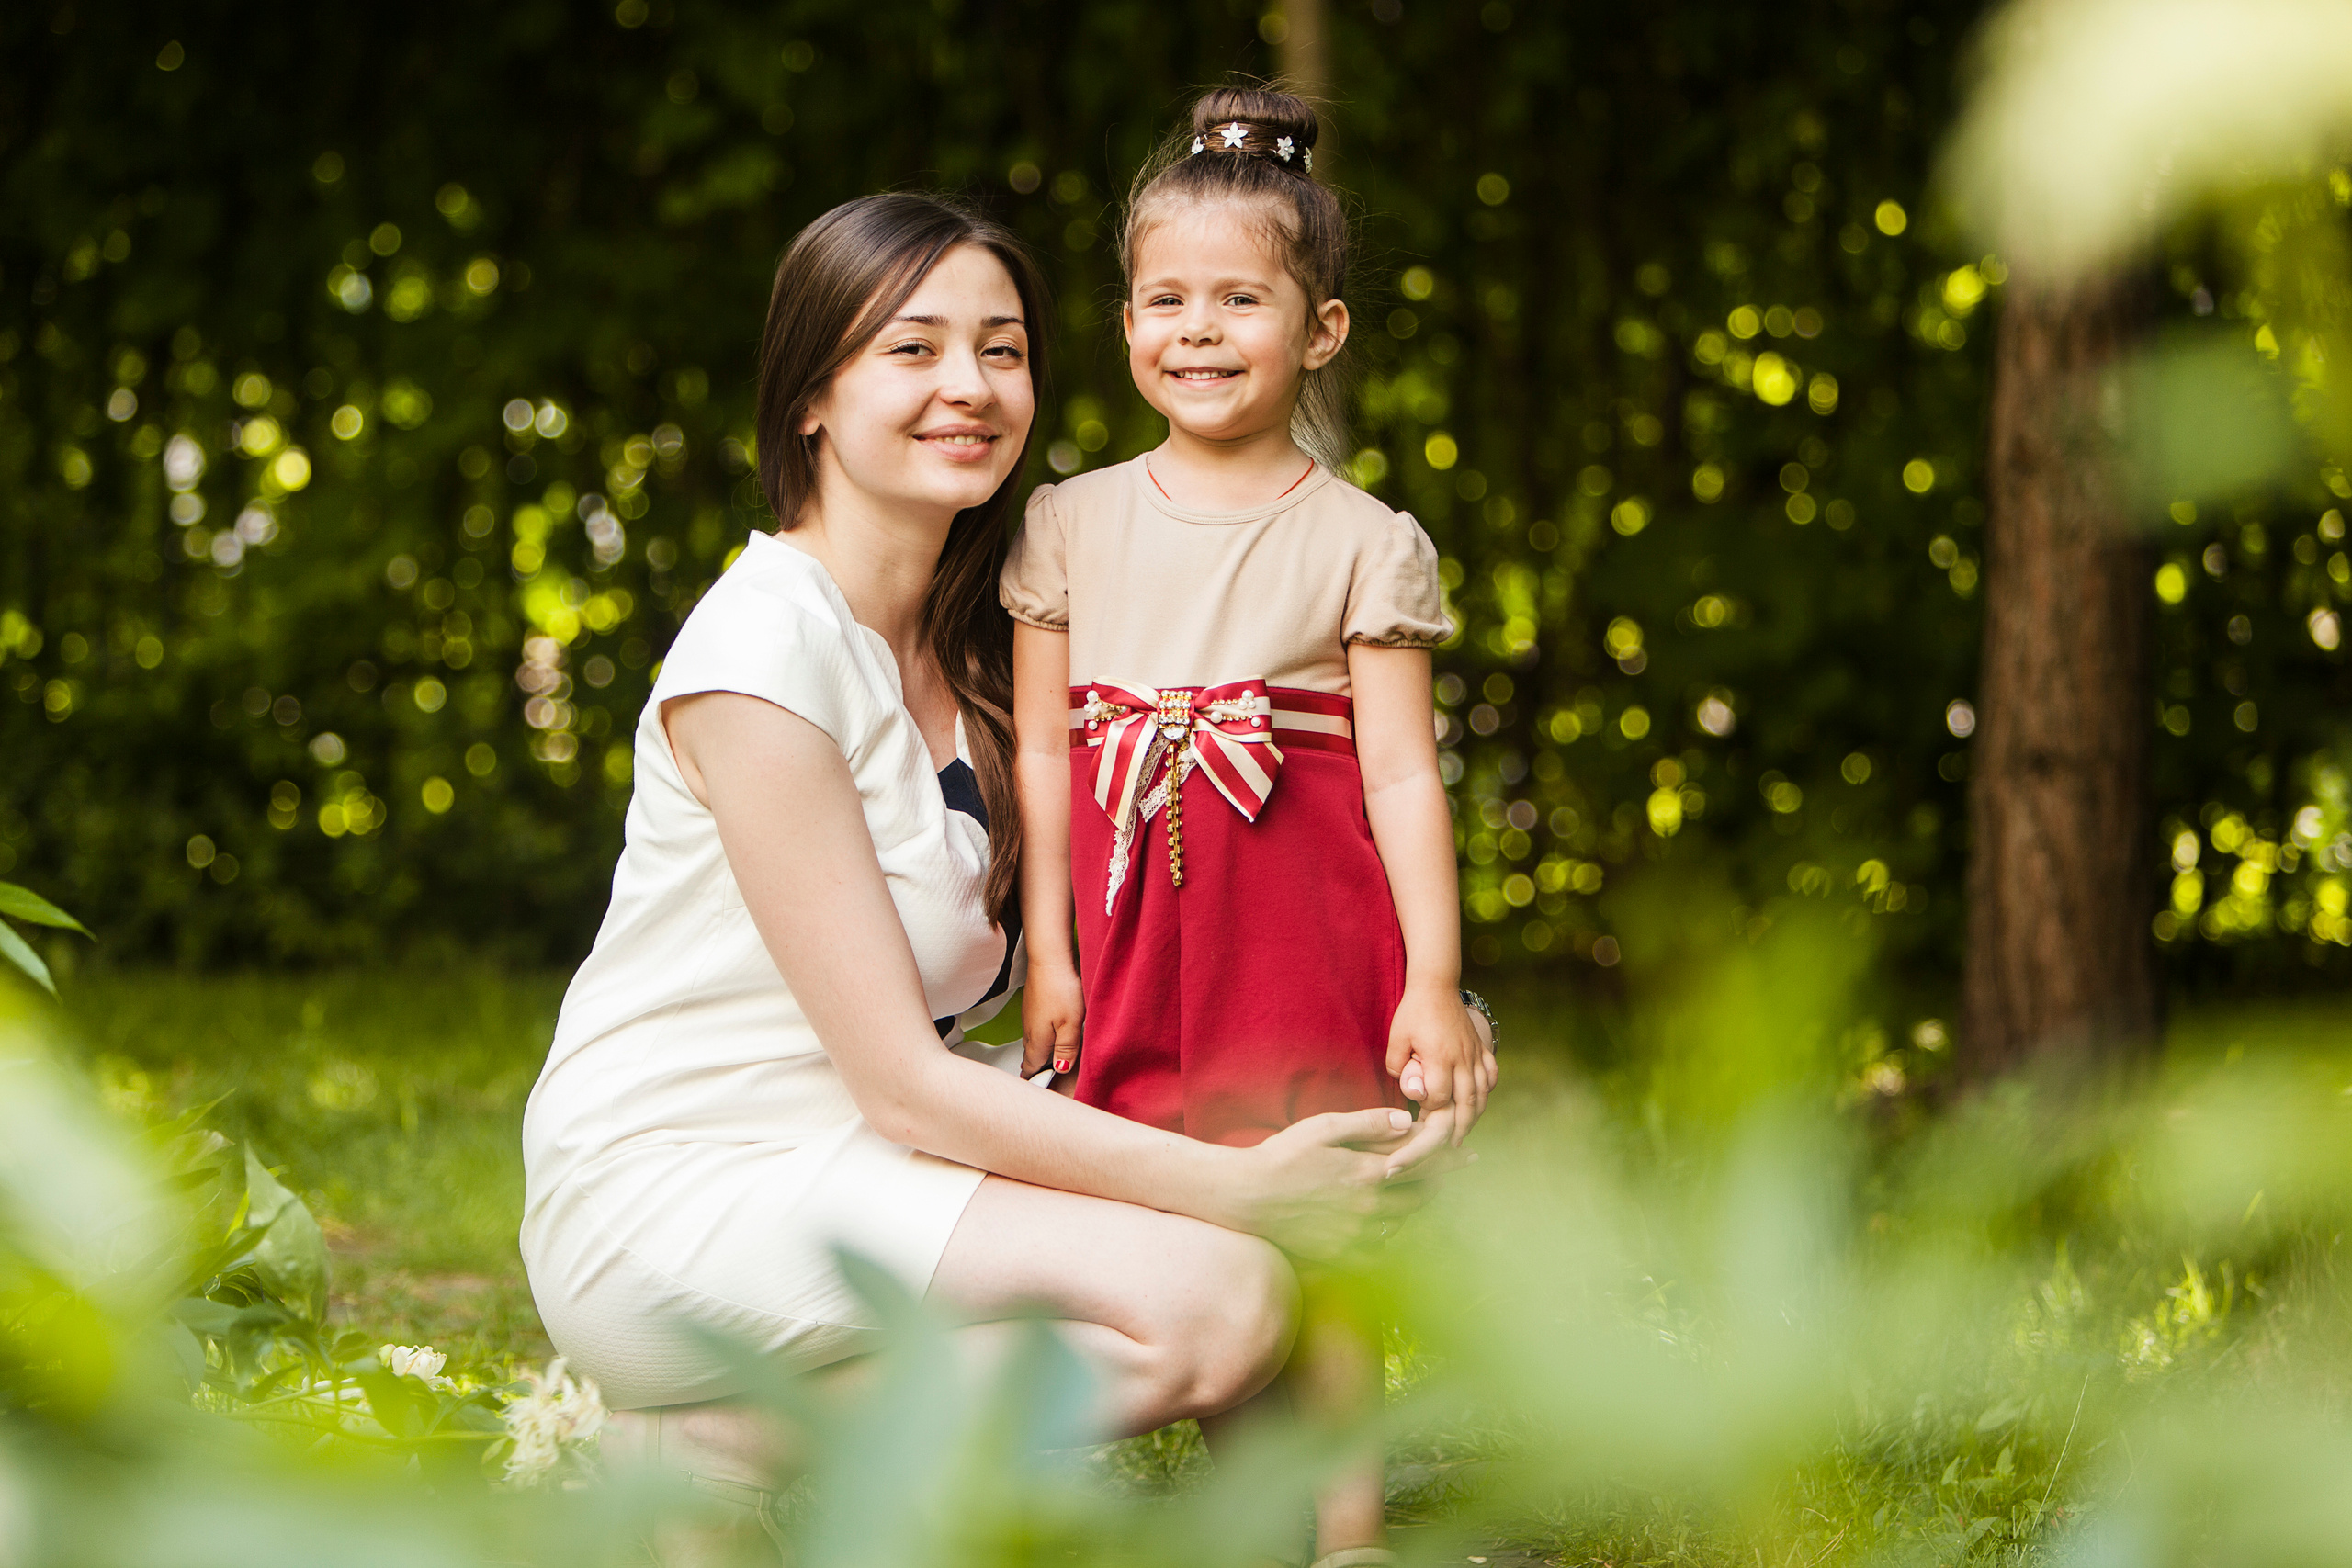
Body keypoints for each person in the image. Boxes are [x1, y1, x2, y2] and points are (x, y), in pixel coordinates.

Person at [516, 192, 1466, 1560]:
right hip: (688, 1182)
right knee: (1219, 1301)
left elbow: (1225, 890)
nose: (967, 384)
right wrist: (1237, 1190)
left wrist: (1426, 1009)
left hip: (874, 1149)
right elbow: (907, 1082)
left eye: (1001, 349)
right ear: (811, 398)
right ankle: (715, 1434)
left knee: (1231, 1220)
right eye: (912, 349)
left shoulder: (978, 651)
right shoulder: (761, 658)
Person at [1002, 88, 1495, 1568]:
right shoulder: (1068, 521)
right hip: (1128, 929)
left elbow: (1400, 773)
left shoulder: (1364, 541)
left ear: (1320, 331)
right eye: (1166, 300)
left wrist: (1430, 977)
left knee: (1312, 1211)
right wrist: (1050, 951)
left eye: (1239, 300)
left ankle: (1346, 1536)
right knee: (1165, 1206)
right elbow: (1040, 750)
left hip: (1294, 932)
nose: (1198, 331)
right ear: (1125, 324)